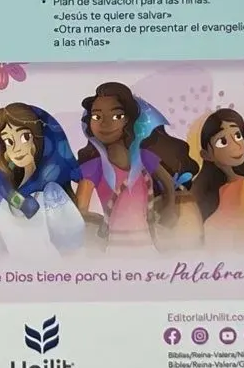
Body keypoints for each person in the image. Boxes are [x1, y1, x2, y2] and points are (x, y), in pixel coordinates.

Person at [73, 81, 191, 251]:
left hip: (148, 242)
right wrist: (100, 222)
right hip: (113, 246)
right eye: (96, 117)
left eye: (117, 116)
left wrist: (169, 208)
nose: (105, 124)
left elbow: (168, 184)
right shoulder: (93, 167)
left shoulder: (144, 158)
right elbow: (81, 210)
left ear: (129, 119)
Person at [0, 102, 87, 256]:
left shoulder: (51, 194)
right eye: (9, 141)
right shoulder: (5, 197)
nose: (17, 148)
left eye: (25, 137)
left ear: (39, 138)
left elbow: (72, 245)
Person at [186, 108, 244, 250]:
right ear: (206, 155)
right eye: (222, 141)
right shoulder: (207, 191)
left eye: (238, 135)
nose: (236, 146)